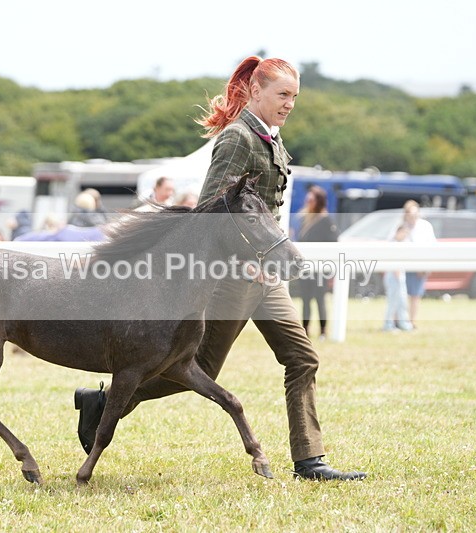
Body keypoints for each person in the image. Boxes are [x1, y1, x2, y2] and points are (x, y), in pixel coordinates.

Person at [74, 56, 365, 481]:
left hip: (267, 277)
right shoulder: (237, 139)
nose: (290, 104)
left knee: (302, 359)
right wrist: (245, 265)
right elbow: (211, 214)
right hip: (235, 277)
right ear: (255, 91)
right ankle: (105, 404)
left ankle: (309, 460)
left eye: (294, 97)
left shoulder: (272, 139)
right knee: (200, 371)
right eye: (283, 94)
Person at [293, 185, 338, 340]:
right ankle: (305, 330)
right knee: (305, 300)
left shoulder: (326, 220)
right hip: (306, 268)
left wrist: (331, 271)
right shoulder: (305, 219)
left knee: (320, 299)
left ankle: (323, 331)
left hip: (321, 269)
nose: (308, 202)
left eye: (311, 199)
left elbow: (333, 244)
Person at [401, 200, 436, 327]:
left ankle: (412, 321)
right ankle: (401, 319)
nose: (413, 217)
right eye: (410, 214)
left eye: (415, 214)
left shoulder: (425, 226)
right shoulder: (401, 226)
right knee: (401, 294)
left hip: (419, 265)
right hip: (403, 265)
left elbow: (431, 245)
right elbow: (394, 242)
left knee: (415, 295)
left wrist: (425, 266)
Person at [382, 224, 414, 331]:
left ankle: (402, 322)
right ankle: (388, 324)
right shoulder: (394, 244)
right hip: (394, 276)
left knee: (401, 301)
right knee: (393, 301)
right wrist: (397, 273)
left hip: (399, 275)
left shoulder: (402, 244)